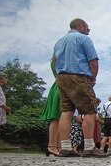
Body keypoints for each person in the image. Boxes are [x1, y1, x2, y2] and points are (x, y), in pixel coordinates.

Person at [54, 18, 107, 157]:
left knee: (66, 111)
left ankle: (65, 146)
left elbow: (54, 61)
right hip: (78, 76)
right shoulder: (83, 39)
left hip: (61, 77)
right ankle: (89, 147)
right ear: (81, 26)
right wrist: (93, 78)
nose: (89, 31)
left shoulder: (59, 41)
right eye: (88, 28)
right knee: (89, 110)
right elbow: (93, 61)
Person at [39, 57, 61, 156]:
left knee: (62, 119)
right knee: (56, 118)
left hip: (61, 85)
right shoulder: (58, 61)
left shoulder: (56, 61)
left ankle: (58, 146)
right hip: (61, 86)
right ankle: (52, 146)